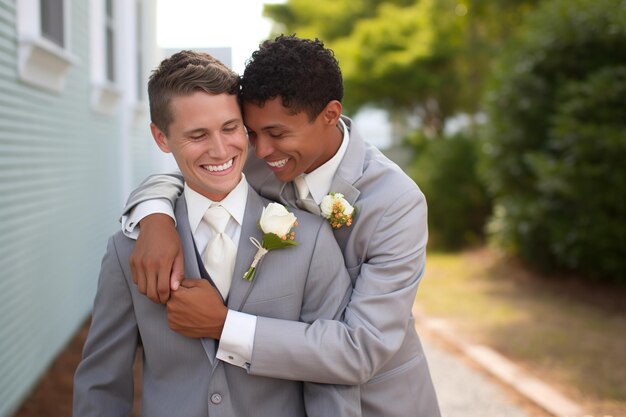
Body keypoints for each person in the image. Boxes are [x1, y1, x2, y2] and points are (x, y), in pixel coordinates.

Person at [123, 35, 441, 417]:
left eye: (276, 134)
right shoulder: (263, 157)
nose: (261, 150)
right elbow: (194, 171)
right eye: (252, 133)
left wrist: (224, 325)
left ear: (329, 114)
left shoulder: (396, 203)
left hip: (375, 402)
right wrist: (155, 216)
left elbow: (361, 348)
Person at [73, 50, 359, 417]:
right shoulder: (128, 250)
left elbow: (331, 379)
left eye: (230, 128)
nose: (220, 149)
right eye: (197, 135)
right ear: (161, 138)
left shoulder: (312, 238)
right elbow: (102, 384)